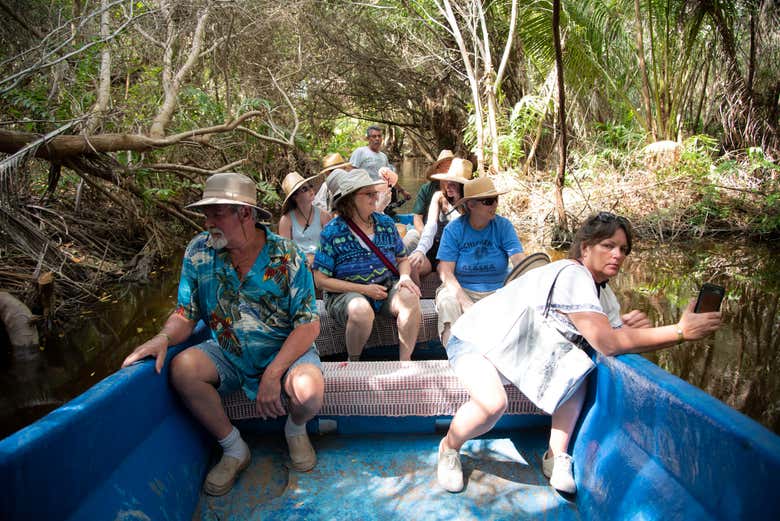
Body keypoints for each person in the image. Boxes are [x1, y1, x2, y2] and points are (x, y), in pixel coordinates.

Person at [434, 212, 723, 494]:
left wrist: (626, 328)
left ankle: (555, 455)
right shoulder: (573, 275)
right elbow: (607, 343)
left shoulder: (604, 294)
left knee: (579, 369)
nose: (618, 255)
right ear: (585, 248)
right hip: (477, 339)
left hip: (519, 348)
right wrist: (680, 331)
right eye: (608, 246)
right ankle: (449, 447)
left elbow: (610, 333)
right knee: (492, 403)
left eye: (623, 249)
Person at [121, 172, 324, 497]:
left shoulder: (286, 254)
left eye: (216, 213)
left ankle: (295, 429)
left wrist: (273, 373)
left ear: (245, 213)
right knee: (183, 368)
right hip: (230, 352)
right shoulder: (198, 252)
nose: (207, 221)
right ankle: (233, 447)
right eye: (205, 213)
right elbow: (185, 314)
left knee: (309, 390)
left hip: (287, 351)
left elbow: (308, 324)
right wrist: (163, 337)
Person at [312, 169, 422, 361]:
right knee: (360, 309)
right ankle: (353, 361)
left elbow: (402, 259)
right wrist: (364, 289)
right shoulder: (332, 232)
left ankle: (405, 362)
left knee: (410, 299)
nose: (375, 197)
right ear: (351, 199)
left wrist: (404, 277)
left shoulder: (386, 223)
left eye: (375, 192)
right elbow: (320, 281)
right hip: (344, 296)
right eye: (368, 194)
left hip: (385, 289)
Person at [435, 176, 525, 346]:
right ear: (471, 205)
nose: (495, 205)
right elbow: (446, 271)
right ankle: (454, 359)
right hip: (462, 288)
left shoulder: (503, 226)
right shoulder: (454, 230)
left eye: (496, 200)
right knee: (448, 303)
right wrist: (463, 300)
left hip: (498, 290)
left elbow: (519, 260)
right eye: (489, 201)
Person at [408, 157, 472, 285]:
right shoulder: (438, 197)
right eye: (447, 181)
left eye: (453, 183)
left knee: (449, 269)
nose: (448, 186)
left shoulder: (471, 203)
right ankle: (417, 298)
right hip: (434, 247)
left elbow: (463, 230)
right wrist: (420, 250)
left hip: (454, 252)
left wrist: (458, 200)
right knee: (412, 264)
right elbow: (430, 227)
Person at [278, 171, 332, 267]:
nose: (311, 190)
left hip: (323, 264)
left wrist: (316, 259)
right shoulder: (286, 220)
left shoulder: (324, 215)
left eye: (310, 186)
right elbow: (286, 251)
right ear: (295, 197)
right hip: (299, 266)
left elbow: (331, 245)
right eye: (304, 189)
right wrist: (304, 260)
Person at [412, 149, 455, 236]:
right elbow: (417, 217)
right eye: (446, 167)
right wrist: (423, 234)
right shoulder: (427, 188)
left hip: (452, 235)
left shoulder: (460, 188)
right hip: (428, 233)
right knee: (411, 237)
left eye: (451, 167)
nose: (449, 170)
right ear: (438, 169)